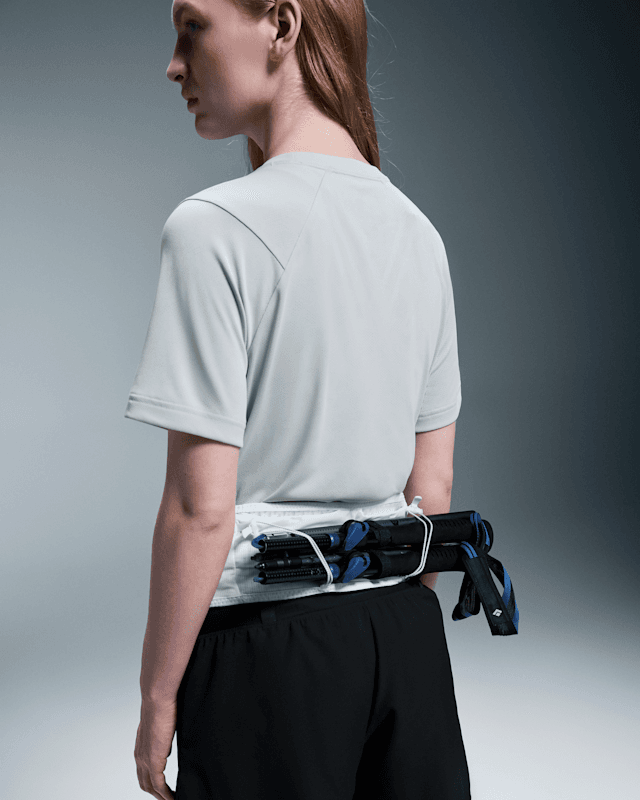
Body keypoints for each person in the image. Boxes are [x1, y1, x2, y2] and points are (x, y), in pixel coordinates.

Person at [126, 0, 471, 797]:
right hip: (406, 636)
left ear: (281, 25)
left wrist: (157, 695)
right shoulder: (419, 234)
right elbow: (434, 484)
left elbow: (199, 510)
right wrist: (387, 624)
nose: (173, 65)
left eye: (192, 26)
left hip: (270, 652)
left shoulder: (213, 228)